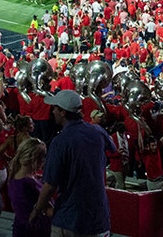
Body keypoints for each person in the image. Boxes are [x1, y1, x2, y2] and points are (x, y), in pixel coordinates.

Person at [31, 89, 115, 237]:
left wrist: (37, 210)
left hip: (70, 219)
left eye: (55, 108)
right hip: (99, 217)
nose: (52, 112)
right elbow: (113, 148)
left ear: (63, 112)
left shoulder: (60, 142)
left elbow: (50, 185)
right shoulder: (97, 131)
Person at [8, 137, 52, 237]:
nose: (44, 161)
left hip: (21, 227)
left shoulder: (14, 175)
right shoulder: (28, 183)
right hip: (34, 231)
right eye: (43, 157)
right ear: (34, 159)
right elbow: (48, 210)